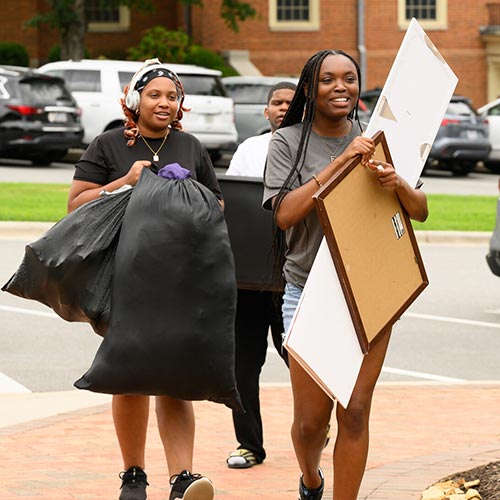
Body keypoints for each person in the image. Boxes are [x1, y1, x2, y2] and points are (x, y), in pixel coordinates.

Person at [263, 49, 428, 500]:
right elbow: (284, 216)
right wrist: (340, 164)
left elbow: (422, 211)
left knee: (354, 412)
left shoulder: (380, 137)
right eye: (328, 80)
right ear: (309, 90)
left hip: (369, 291)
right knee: (310, 424)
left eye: (350, 78)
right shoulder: (287, 142)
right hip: (307, 291)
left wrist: (400, 185)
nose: (341, 87)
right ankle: (311, 479)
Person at [67, 59, 221, 500]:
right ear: (135, 100)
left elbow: (218, 207)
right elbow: (76, 205)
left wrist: (190, 197)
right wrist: (126, 181)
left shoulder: (191, 147)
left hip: (180, 277)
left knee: (175, 376)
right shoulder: (109, 145)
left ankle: (183, 478)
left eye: (172, 96)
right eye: (155, 94)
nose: (164, 103)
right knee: (130, 374)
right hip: (123, 277)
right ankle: (133, 475)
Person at [225, 81, 296, 469]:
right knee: (243, 364)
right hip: (248, 278)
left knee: (298, 358)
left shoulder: (310, 148)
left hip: (292, 277)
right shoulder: (248, 150)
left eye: (290, 102)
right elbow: (236, 202)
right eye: (276, 102)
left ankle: (317, 422)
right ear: (266, 111)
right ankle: (248, 444)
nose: (283, 108)